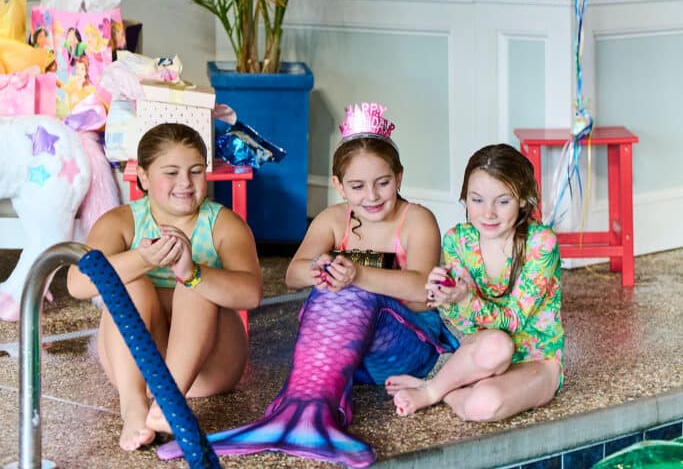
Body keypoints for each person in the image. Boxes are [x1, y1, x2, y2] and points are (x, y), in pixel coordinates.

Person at [157, 102, 459, 469]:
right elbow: (292, 275)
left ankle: (307, 414)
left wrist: (357, 275)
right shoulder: (334, 219)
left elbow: (420, 291)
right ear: (338, 185)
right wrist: (321, 267)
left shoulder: (417, 220)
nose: (372, 196)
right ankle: (300, 413)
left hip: (404, 351)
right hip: (347, 356)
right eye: (358, 186)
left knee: (350, 288)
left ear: (399, 176)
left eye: (384, 183)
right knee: (332, 285)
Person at [67, 121, 262, 453]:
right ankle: (135, 408)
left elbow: (251, 294)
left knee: (193, 286)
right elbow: (77, 284)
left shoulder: (225, 224)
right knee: (130, 284)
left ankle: (169, 404)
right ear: (143, 176)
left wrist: (193, 273)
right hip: (139, 372)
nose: (185, 182)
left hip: (207, 370)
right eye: (171, 173)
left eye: (196, 171)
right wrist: (142, 259)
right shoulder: (120, 222)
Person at [386, 142, 564, 422]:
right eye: (477, 199)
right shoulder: (459, 240)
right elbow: (467, 327)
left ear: (523, 199)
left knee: (483, 405)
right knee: (496, 345)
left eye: (502, 201)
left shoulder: (540, 243)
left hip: (536, 360)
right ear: (465, 198)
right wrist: (446, 298)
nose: (488, 213)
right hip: (486, 353)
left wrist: (466, 299)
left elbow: (514, 321)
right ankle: (434, 390)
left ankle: (438, 389)